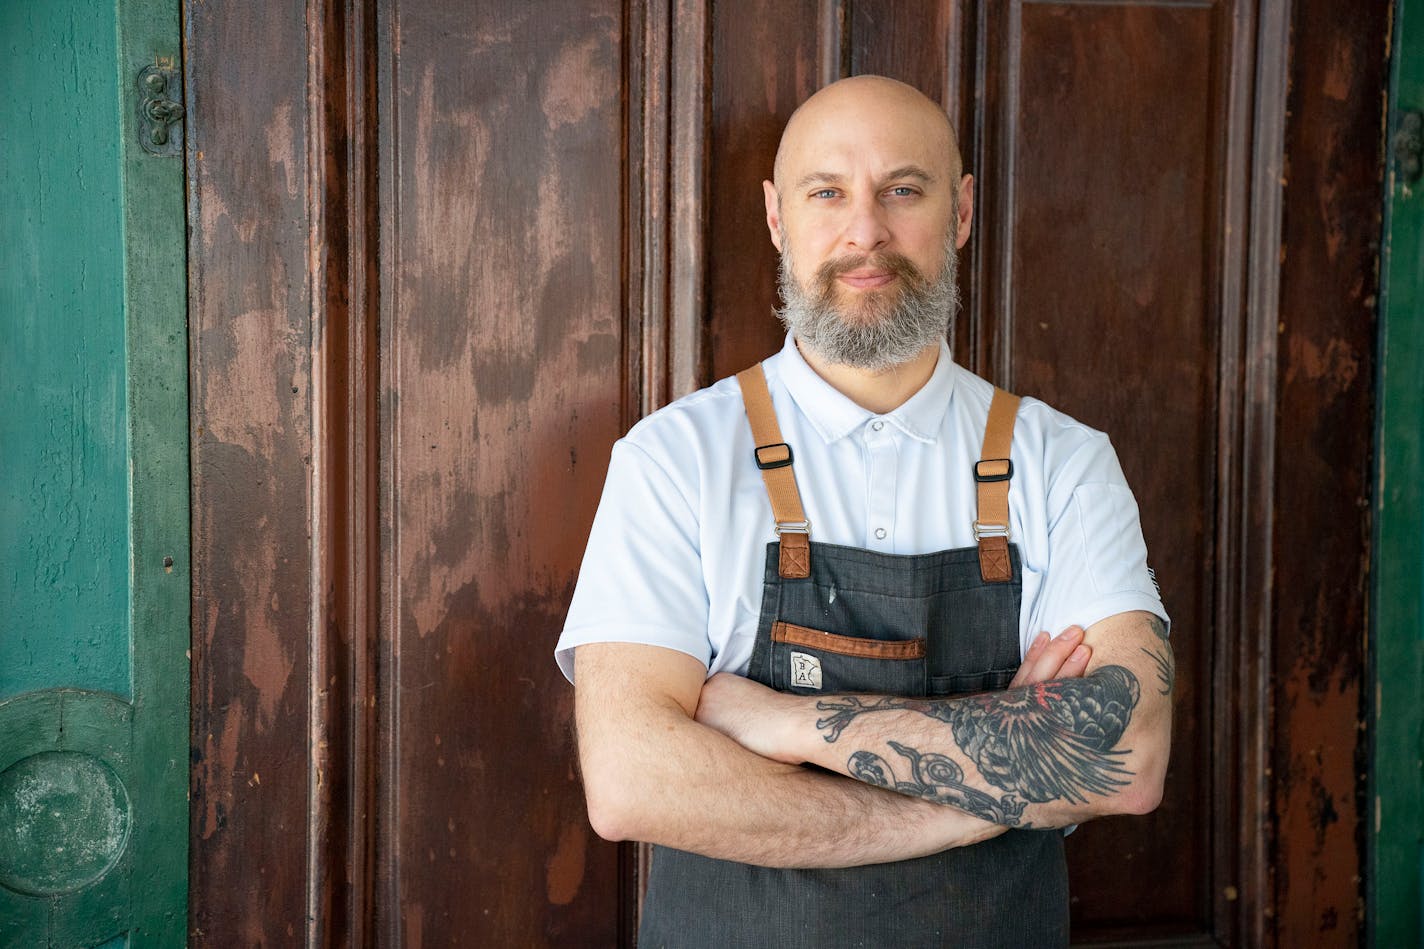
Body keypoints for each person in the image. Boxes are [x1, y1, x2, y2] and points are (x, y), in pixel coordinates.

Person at [555, 75, 1172, 948]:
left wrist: (780, 724)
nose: (865, 231)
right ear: (778, 217)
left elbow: (1128, 754)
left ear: (960, 213)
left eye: (903, 190)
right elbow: (629, 782)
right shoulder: (673, 460)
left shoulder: (1062, 463)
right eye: (828, 192)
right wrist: (976, 805)